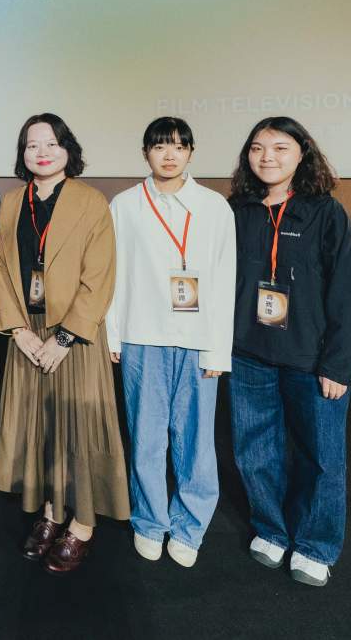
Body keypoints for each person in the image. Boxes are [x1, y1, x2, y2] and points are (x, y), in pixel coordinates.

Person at [228, 116, 351, 588]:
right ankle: (271, 529)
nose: (267, 157)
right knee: (254, 452)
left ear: (302, 153)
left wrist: (339, 364)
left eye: (280, 148)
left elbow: (347, 294)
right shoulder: (238, 210)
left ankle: (315, 545)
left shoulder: (326, 213)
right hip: (248, 352)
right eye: (257, 148)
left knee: (321, 456)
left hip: (311, 358)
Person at [0, 113, 125, 574]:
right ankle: (50, 510)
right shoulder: (11, 203)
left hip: (74, 337)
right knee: (40, 427)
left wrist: (64, 338)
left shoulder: (91, 202)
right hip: (28, 333)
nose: (42, 152)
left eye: (51, 143)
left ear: (68, 149)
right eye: (32, 145)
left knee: (77, 430)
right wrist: (19, 330)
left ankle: (82, 523)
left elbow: (100, 276)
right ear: (22, 153)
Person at [104, 117, 235, 568]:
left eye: (179, 146)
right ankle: (149, 521)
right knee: (145, 436)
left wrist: (218, 349)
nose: (169, 155)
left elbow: (225, 279)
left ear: (191, 152)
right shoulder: (125, 205)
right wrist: (113, 333)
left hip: (198, 339)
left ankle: (189, 526)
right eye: (160, 146)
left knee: (195, 438)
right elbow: (113, 274)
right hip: (142, 336)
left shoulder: (214, 206)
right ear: (146, 153)